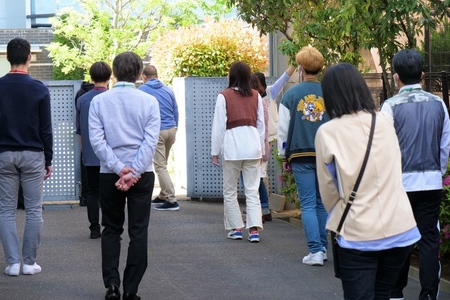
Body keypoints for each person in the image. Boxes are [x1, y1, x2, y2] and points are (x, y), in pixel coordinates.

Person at [315, 62, 421, 299]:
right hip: (401, 228)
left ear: (330, 95)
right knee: (383, 294)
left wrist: (342, 214)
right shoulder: (384, 120)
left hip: (359, 234)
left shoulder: (328, 132)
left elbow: (328, 188)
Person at [89, 52, 160, 300]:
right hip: (142, 175)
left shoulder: (99, 102)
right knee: (138, 232)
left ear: (114, 73)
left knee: (111, 229)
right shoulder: (149, 101)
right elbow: (150, 142)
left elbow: (97, 141)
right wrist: (134, 171)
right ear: (140, 73)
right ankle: (131, 289)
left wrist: (120, 169)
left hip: (110, 174)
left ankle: (111, 285)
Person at [380, 49, 450, 300]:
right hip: (431, 181)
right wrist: (437, 171)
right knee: (429, 239)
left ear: (396, 77)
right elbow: (444, 146)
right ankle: (429, 294)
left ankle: (396, 292)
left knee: (399, 238)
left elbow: (384, 150)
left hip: (399, 184)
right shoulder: (439, 103)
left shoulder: (389, 107)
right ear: (422, 75)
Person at [0, 37, 53, 276]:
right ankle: (29, 263)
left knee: (5, 210)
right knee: (33, 210)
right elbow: (46, 129)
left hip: (4, 154)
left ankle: (12, 263)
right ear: (29, 57)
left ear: (8, 57)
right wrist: (49, 160)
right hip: (33, 155)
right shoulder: (40, 88)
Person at [277, 46, 329, 266]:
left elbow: (282, 130)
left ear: (300, 68)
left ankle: (315, 251)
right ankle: (324, 248)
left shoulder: (290, 95)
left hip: (300, 154)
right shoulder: (329, 92)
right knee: (321, 203)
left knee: (307, 203)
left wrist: (283, 156)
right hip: (326, 155)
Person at [211, 61, 265, 242]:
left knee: (230, 190)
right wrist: (262, 148)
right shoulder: (256, 95)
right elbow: (261, 125)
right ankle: (254, 230)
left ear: (231, 76)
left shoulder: (223, 96)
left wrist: (214, 151)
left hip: (232, 147)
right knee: (252, 190)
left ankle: (237, 228)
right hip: (253, 146)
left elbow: (218, 126)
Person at [253, 65, 295, 221]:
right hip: (259, 137)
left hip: (269, 137)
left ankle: (263, 209)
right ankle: (262, 207)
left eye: (255, 85)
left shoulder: (270, 92)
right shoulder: (252, 96)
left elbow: (284, 78)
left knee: (260, 172)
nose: (254, 88)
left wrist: (295, 62)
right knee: (259, 171)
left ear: (262, 84)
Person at [76, 61, 112, 239]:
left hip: (90, 153)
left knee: (92, 192)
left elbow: (80, 130)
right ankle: (109, 227)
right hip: (110, 154)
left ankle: (94, 228)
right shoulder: (112, 98)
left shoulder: (82, 99)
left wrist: (84, 151)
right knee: (110, 192)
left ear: (91, 78)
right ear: (109, 77)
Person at [139, 65, 180, 211]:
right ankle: (163, 195)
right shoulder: (168, 90)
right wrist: (175, 129)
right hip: (171, 129)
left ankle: (171, 199)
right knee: (164, 163)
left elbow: (141, 114)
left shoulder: (142, 91)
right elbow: (176, 111)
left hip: (158, 131)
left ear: (144, 77)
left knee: (160, 165)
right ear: (157, 75)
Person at [75, 81, 95, 207]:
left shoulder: (80, 95)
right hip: (101, 137)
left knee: (86, 169)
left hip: (85, 136)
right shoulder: (102, 95)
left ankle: (85, 197)